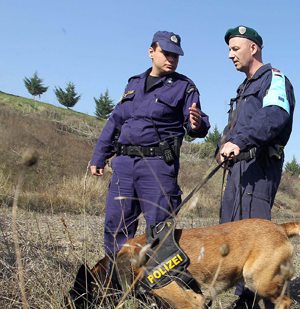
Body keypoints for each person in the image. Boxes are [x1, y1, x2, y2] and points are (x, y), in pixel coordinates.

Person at [90, 31, 210, 259]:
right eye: (166, 53)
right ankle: (118, 281)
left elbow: (198, 122)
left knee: (159, 230)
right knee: (116, 226)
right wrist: (99, 156)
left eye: (176, 55)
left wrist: (196, 124)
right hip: (123, 165)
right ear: (151, 52)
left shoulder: (184, 86)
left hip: (157, 166)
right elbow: (115, 121)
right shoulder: (133, 84)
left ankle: (159, 287)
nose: (171, 59)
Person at [217, 25, 295, 308]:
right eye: (228, 49)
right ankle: (244, 299)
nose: (229, 55)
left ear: (254, 48)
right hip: (238, 171)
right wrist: (222, 148)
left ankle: (260, 304)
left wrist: (239, 141)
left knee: (254, 235)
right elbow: (233, 128)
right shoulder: (243, 89)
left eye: (235, 48)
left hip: (259, 168)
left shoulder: (274, 79)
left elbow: (274, 115)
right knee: (232, 231)